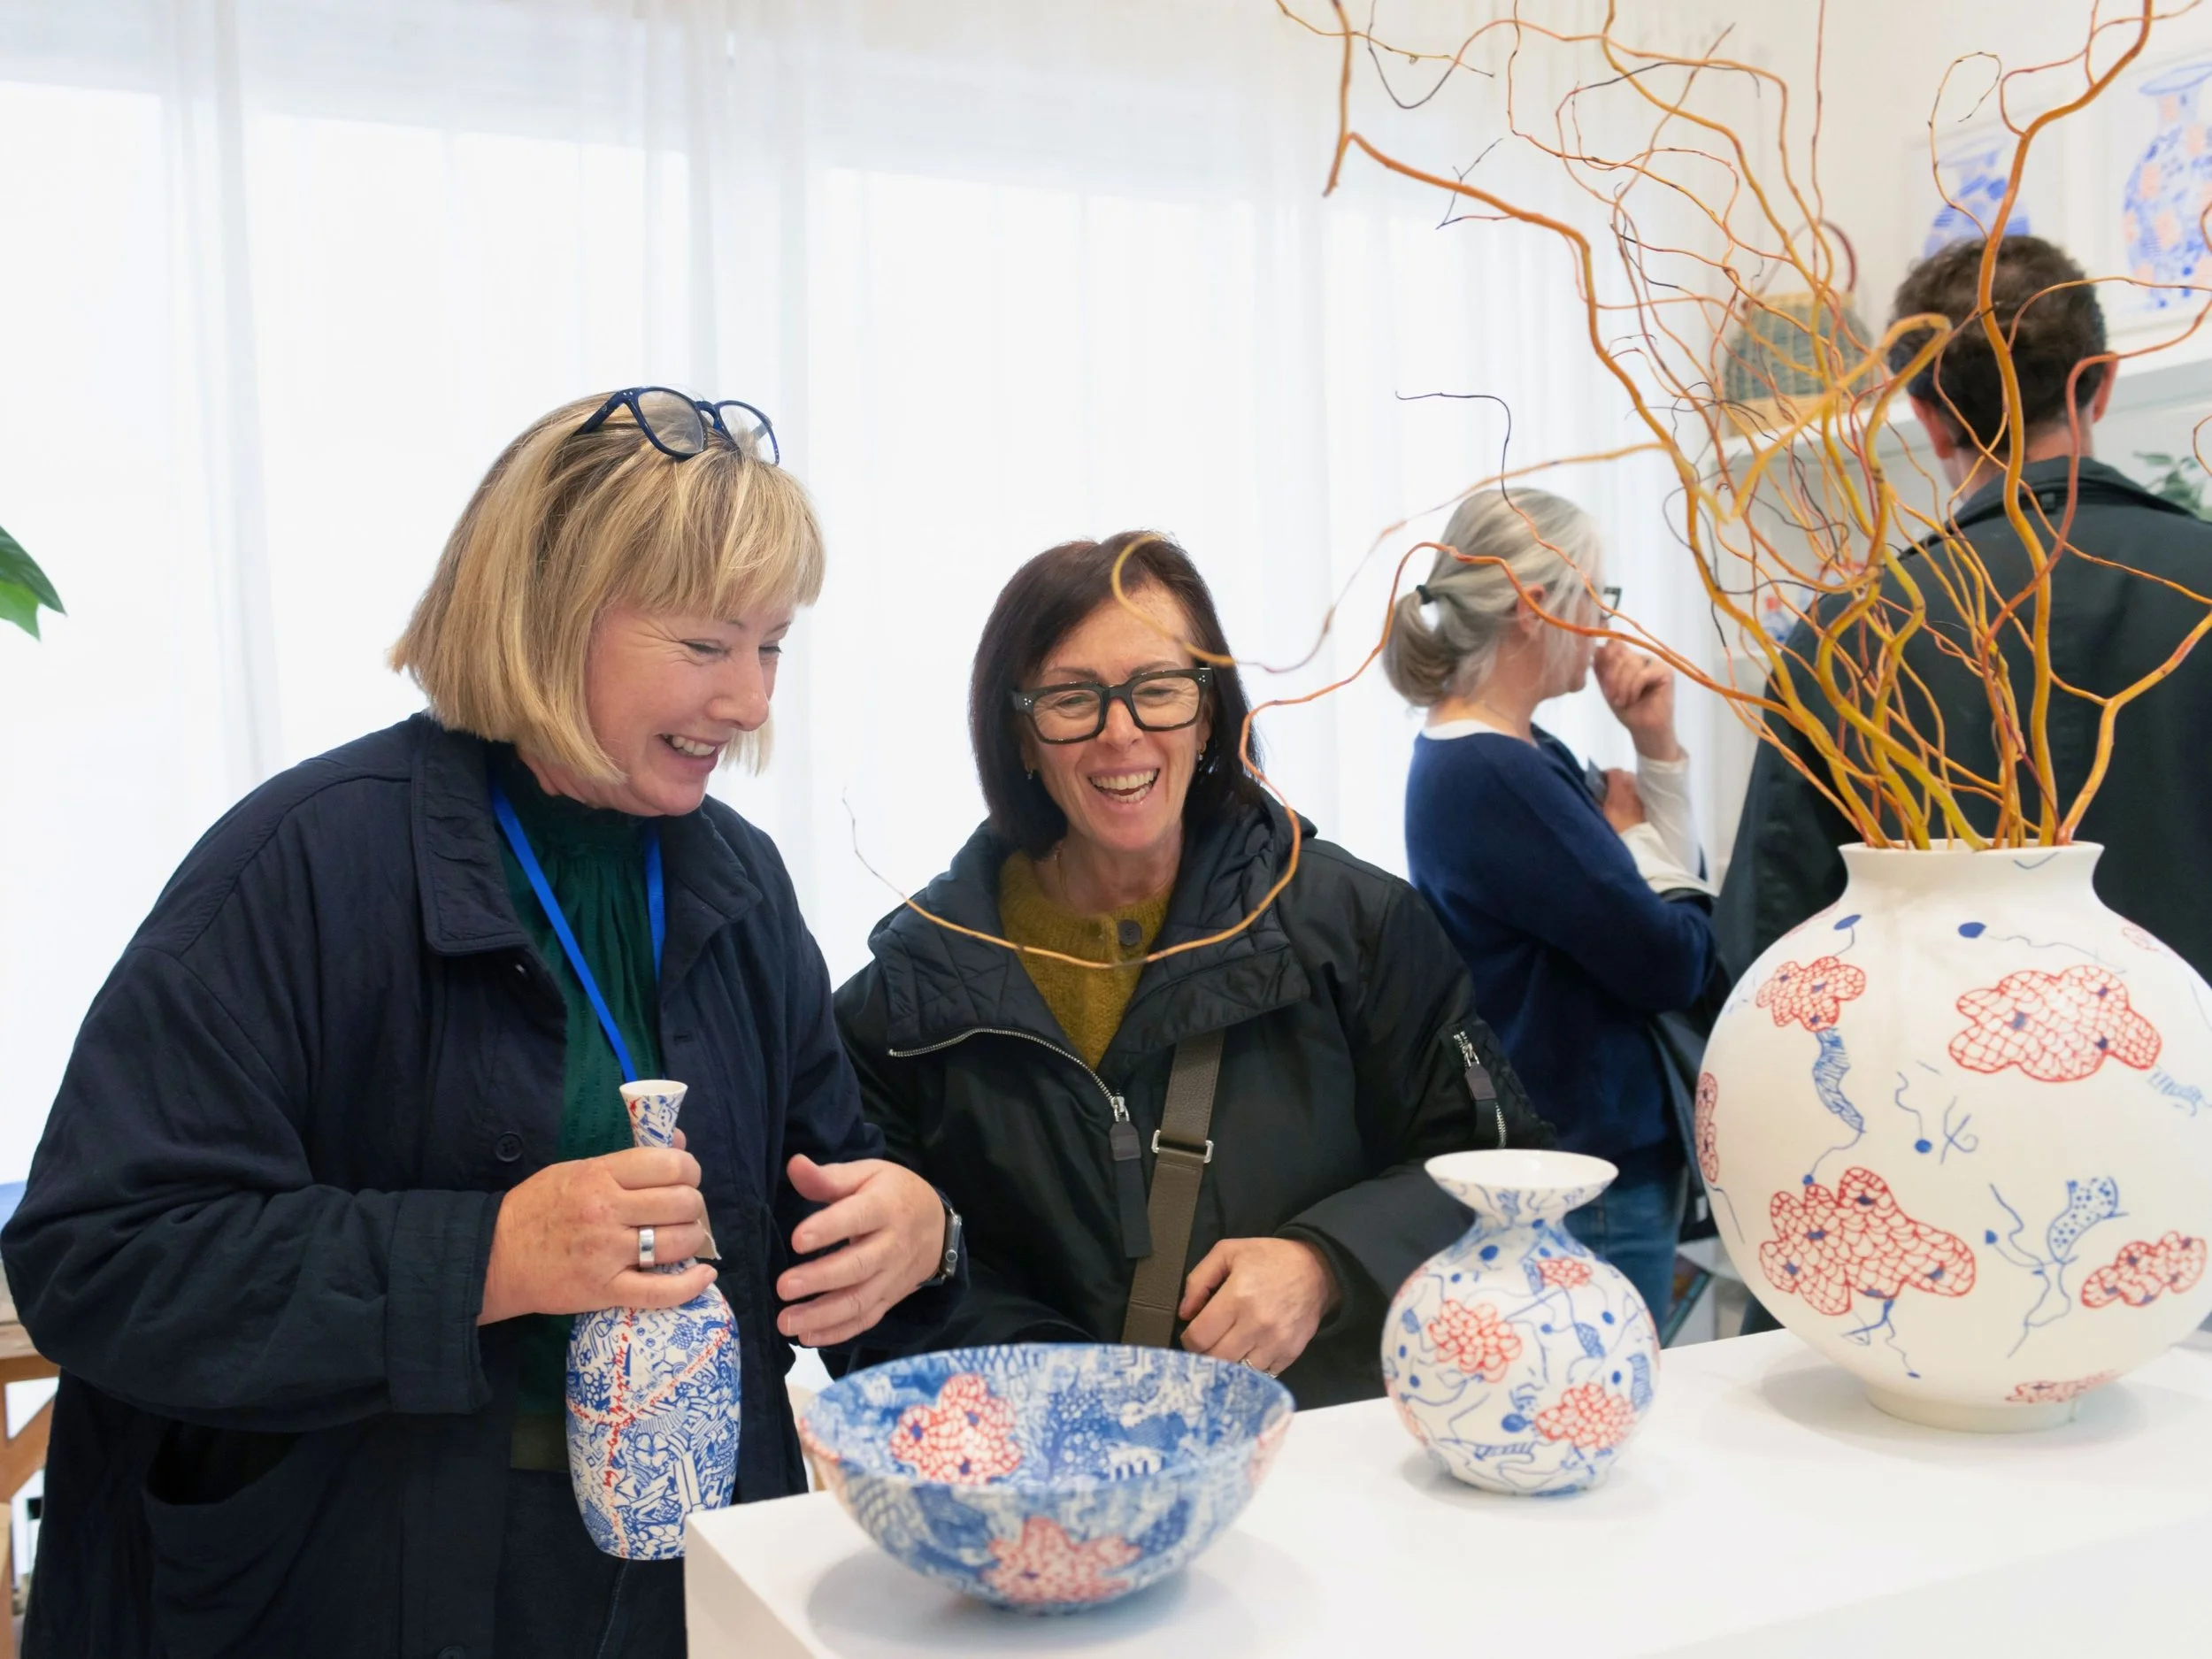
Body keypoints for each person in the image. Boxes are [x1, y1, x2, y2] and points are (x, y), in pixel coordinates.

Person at [0, 388, 963, 1659]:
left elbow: (812, 1214)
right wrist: (490, 1255)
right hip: (354, 1590)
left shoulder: (737, 878)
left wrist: (915, 1238)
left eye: (773, 646)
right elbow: (99, 1259)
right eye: (705, 644)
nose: (749, 700)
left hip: (678, 1584)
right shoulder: (301, 863)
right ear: (550, 614)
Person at [833, 531, 1553, 1408]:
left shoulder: (1352, 928)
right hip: (1041, 1467)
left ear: (1210, 713)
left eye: (1158, 689)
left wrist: (1325, 1264)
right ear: (1020, 734)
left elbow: (1504, 1176)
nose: (1121, 732)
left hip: (1311, 1460)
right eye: (1071, 699)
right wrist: (1063, 1388)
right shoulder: (908, 998)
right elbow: (862, 1301)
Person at [1718, 234, 2212, 983]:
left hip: (1939, 1054)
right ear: (2101, 382)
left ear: (1927, 414)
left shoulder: (1850, 633)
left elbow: (1770, 944)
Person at [1385, 488, 1721, 1322]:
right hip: (1589, 1171)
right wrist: (1636, 831)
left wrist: (1656, 752)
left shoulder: (1510, 752)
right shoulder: (1497, 774)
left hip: (1582, 1159)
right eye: (1597, 596)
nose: (1605, 624)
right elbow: (1674, 962)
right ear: (1533, 605)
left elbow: (1670, 919)